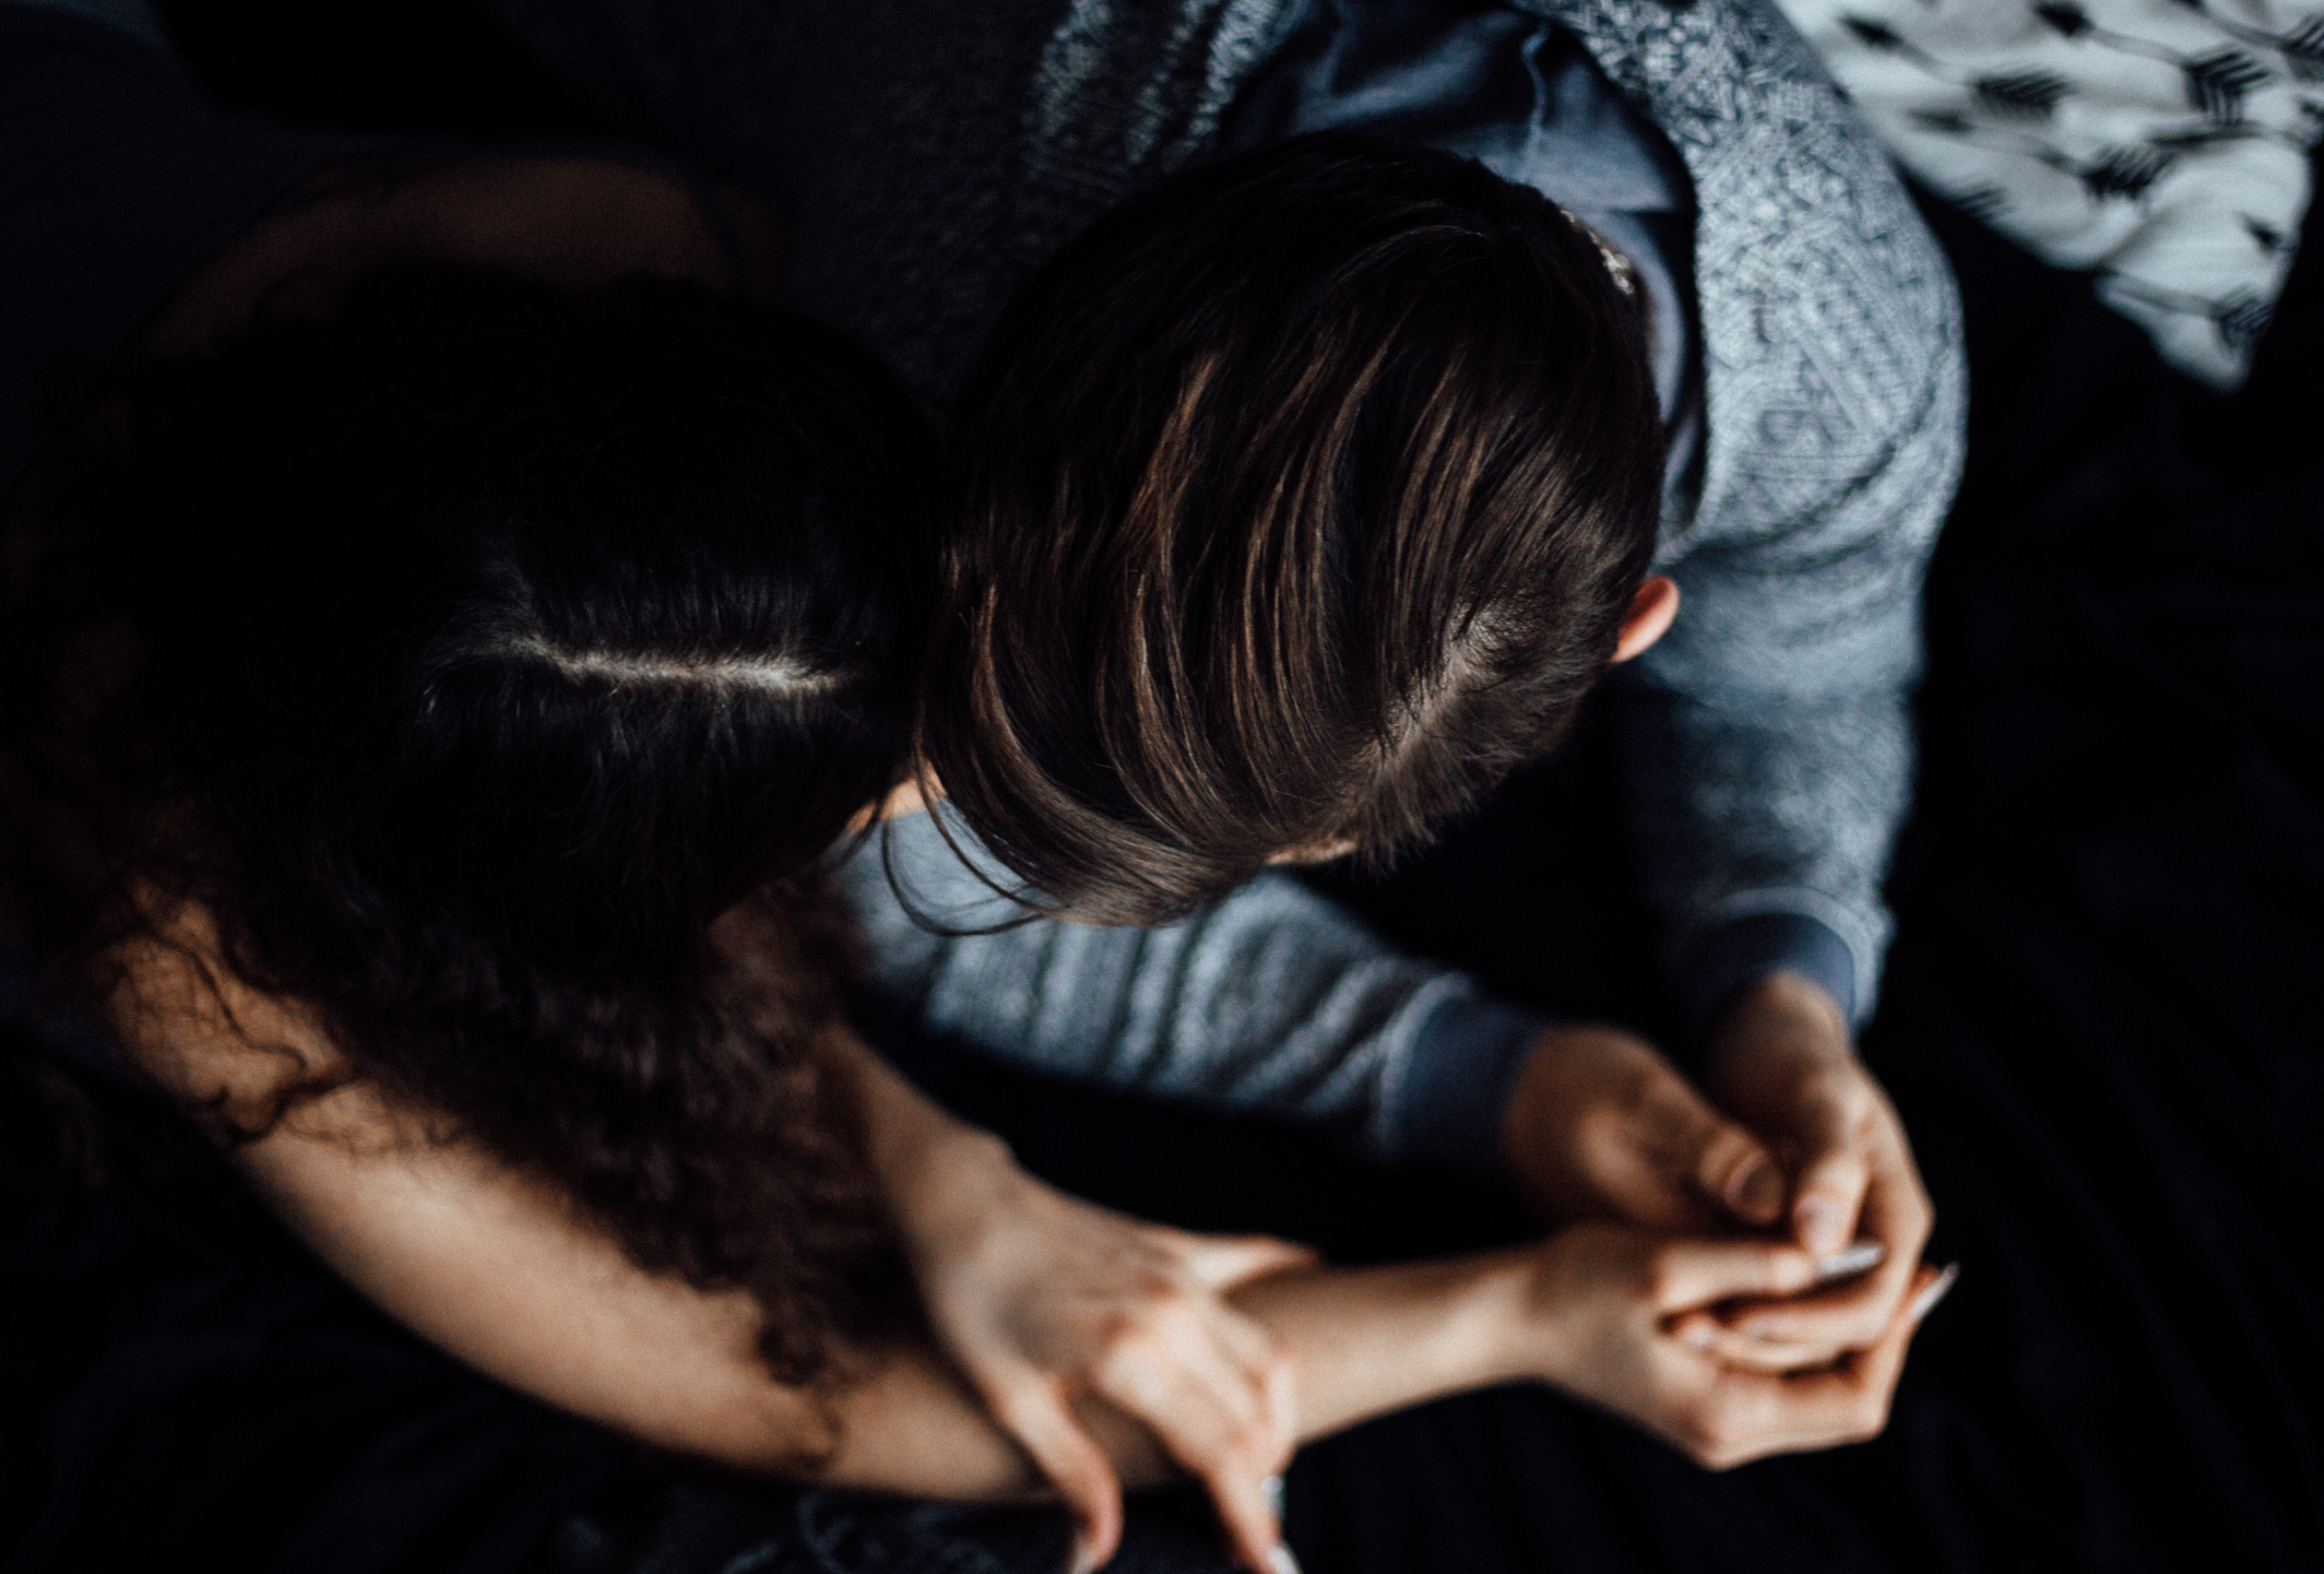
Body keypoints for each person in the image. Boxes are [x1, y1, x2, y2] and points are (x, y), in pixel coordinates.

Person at [1, 8, 1942, 1574]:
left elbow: (1824, 623)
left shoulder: (652, 289)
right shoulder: (193, 925)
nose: (918, 866)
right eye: (897, 814)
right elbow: (807, 1398)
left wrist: (1775, 982)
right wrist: (1516, 1284)